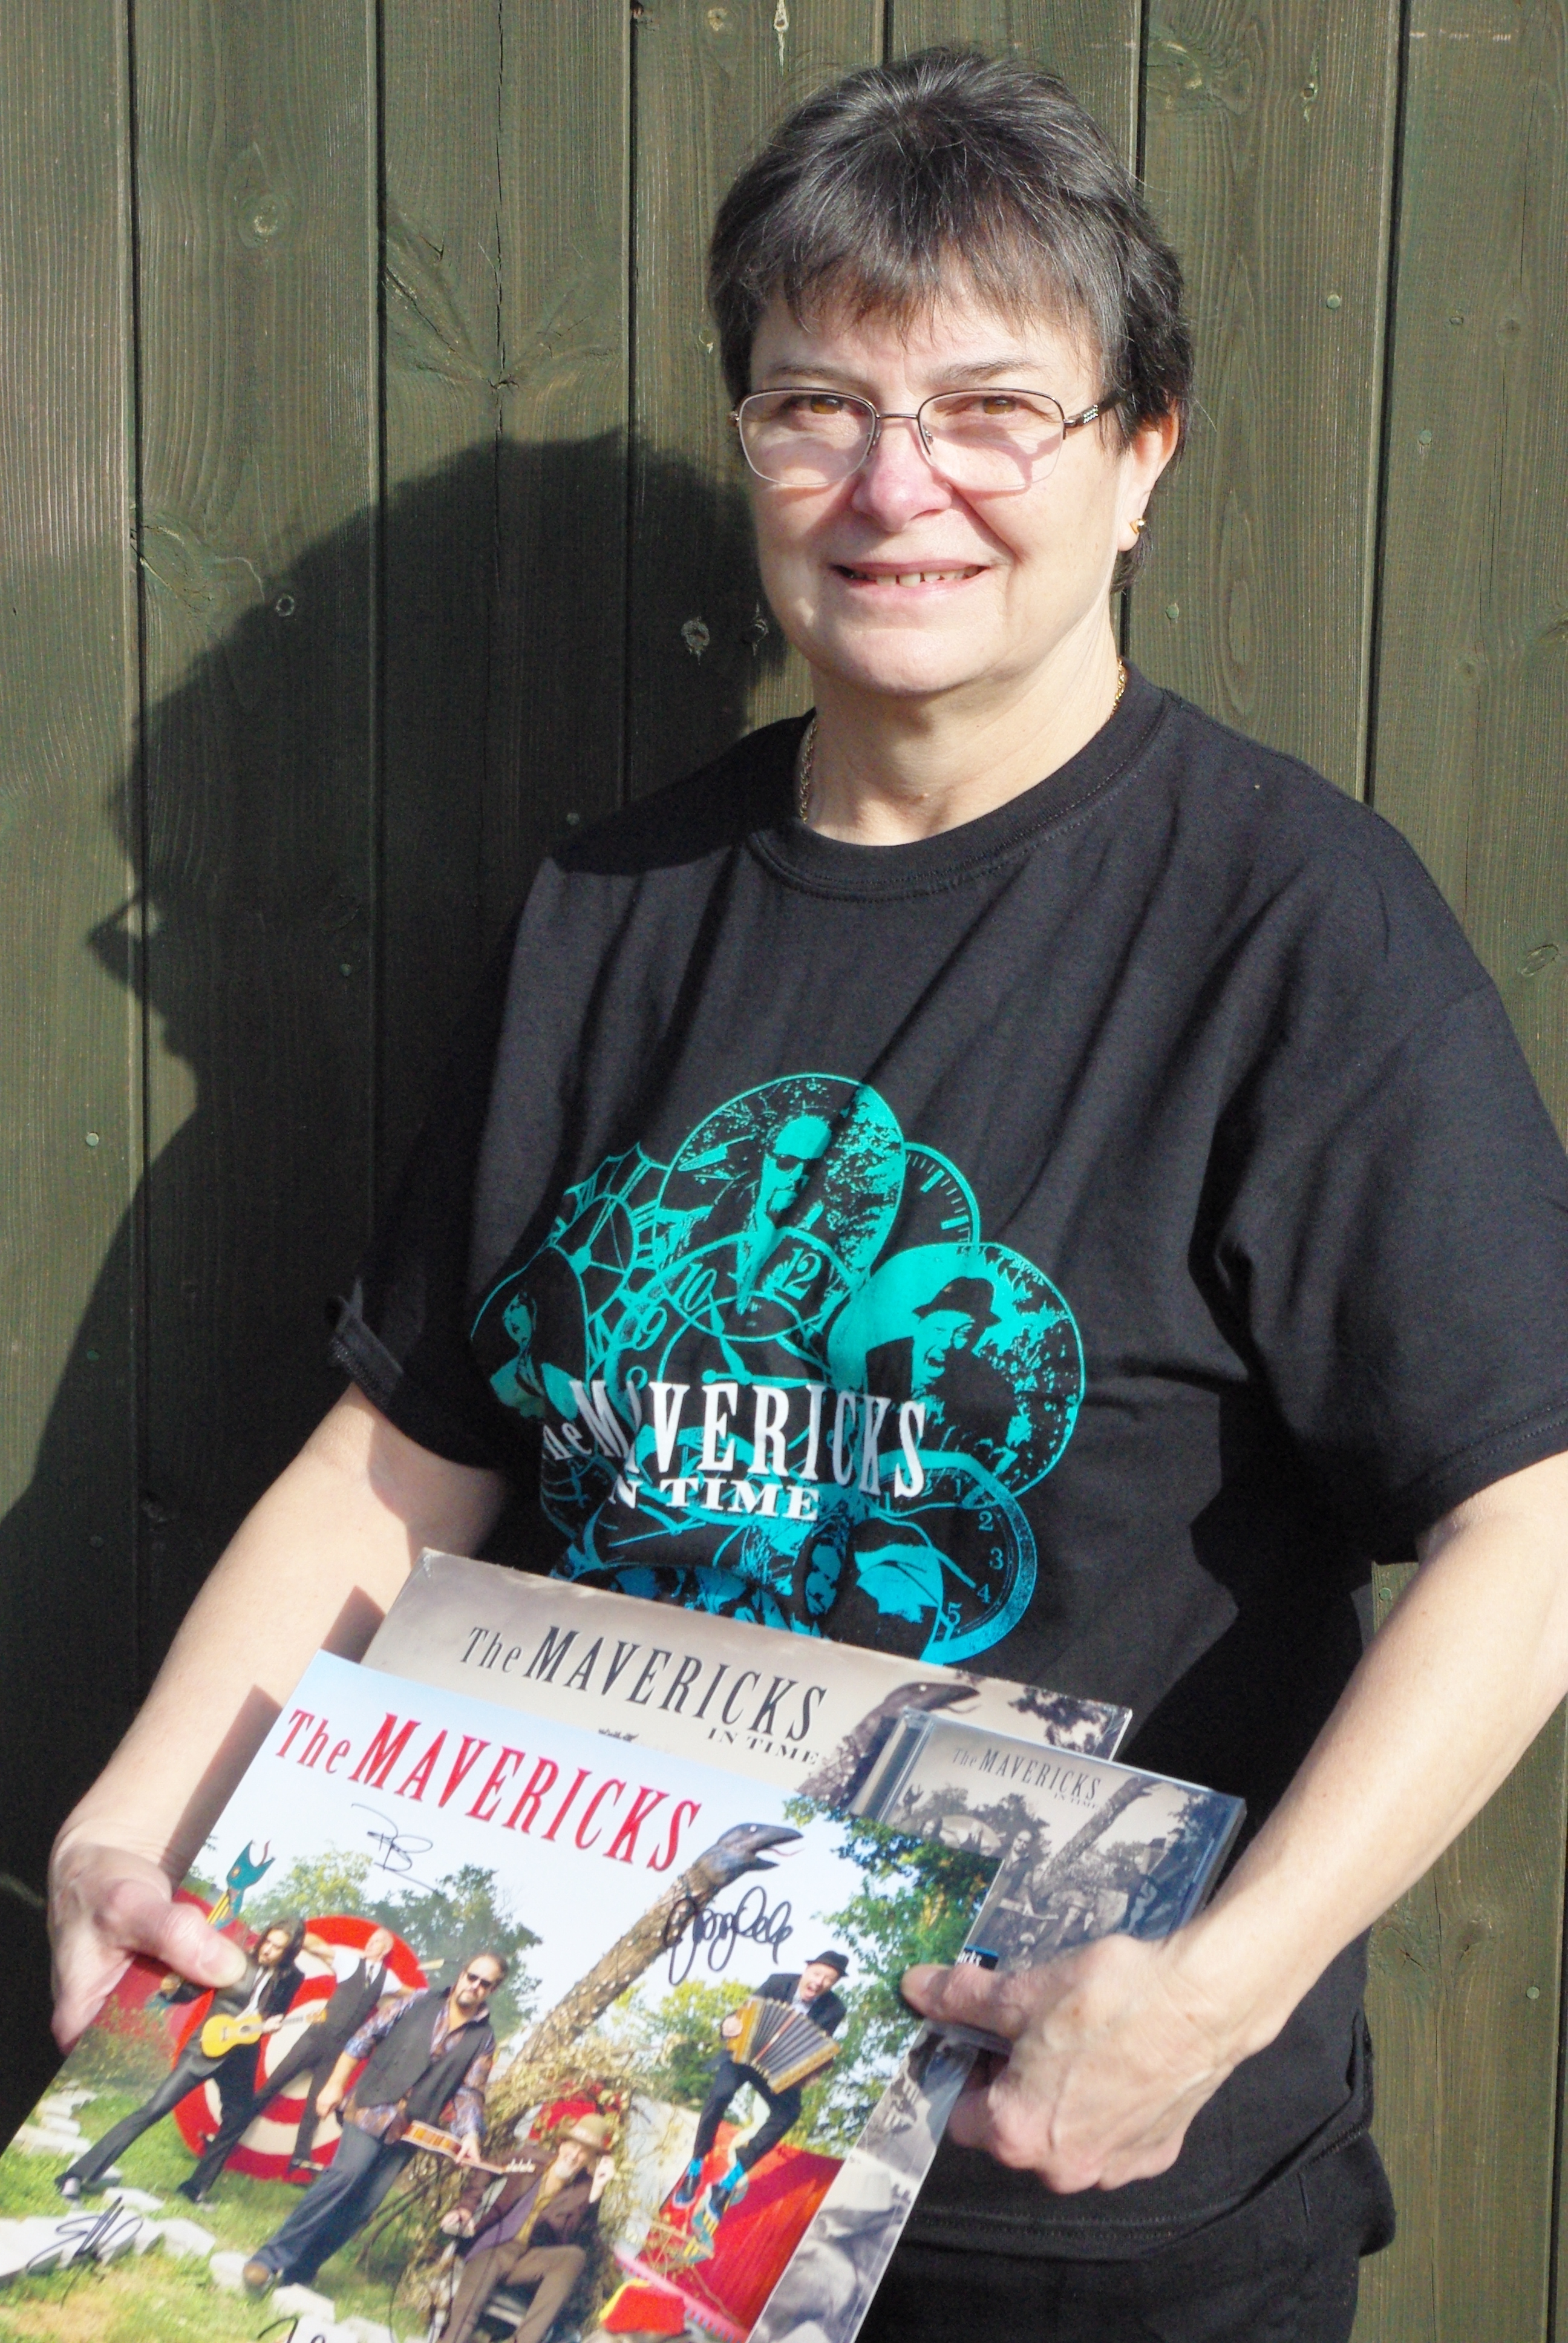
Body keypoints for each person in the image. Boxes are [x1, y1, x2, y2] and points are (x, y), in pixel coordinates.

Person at [44, 45, 1568, 2343]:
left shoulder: (1290, 924)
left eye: (989, 410)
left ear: (1141, 454)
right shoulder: (614, 907)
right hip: (581, 2163)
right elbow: (404, 1458)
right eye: (813, 408)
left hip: (1053, 2204)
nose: (892, 486)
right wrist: (134, 1825)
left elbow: (1528, 1525)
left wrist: (1216, 1993)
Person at [240, 1950, 507, 2295]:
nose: (475, 1986)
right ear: (462, 1974)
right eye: (472, 1977)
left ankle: (301, 2270)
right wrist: (334, 2085)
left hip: (410, 2131)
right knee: (344, 2177)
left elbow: (470, 2091)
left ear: (493, 1990)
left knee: (363, 2206)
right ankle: (269, 2259)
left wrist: (470, 2134)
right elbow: (363, 2038)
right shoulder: (416, 2001)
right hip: (370, 2106)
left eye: (485, 1983)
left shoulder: (484, 2039)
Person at [56, 1919, 307, 2198]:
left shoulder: (292, 1978)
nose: (268, 1950)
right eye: (268, 1942)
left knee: (237, 2119)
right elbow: (191, 1990)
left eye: (277, 1947)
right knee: (154, 2109)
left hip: (241, 2058)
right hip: (205, 2048)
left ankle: (196, 2188)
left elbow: (277, 2013)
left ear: (290, 1952)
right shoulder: (235, 1961)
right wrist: (172, 1989)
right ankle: (77, 2175)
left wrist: (271, 2023)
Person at [176, 1924, 402, 2203]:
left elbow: (409, 1994)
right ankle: (226, 2137)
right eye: (370, 1940)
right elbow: (315, 1945)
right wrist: (301, 1939)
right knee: (271, 2087)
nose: (370, 1944)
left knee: (316, 2104)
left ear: (386, 1949)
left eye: (377, 1942)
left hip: (339, 2049)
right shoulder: (348, 1961)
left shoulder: (388, 1979)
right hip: (314, 2038)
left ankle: (300, 2159)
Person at [674, 1953, 850, 2229]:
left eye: (828, 1980)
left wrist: (813, 2071)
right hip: (744, 2054)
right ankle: (695, 2166)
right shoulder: (777, 1983)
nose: (819, 1983)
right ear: (807, 1969)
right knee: (721, 2094)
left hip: (778, 2070)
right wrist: (728, 2025)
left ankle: (729, 2182)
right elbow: (739, 2017)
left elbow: (815, 2047)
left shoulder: (834, 2009)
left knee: (789, 2113)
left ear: (834, 1984)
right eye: (817, 1974)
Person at [437, 2111, 615, 2343]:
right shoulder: (531, 2159)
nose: (574, 2155)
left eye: (584, 2152)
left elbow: (580, 2240)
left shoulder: (585, 2191)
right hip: (495, 2249)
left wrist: (596, 2193)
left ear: (591, 2159)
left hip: (531, 2261)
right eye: (573, 2146)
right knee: (465, 2317)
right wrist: (466, 2208)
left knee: (575, 2257)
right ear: (562, 2143)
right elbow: (488, 2167)